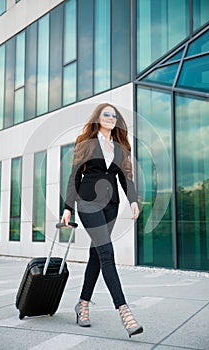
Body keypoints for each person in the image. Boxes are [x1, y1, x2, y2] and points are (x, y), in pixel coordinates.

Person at [61, 103, 143, 338]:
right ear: (97, 118)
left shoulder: (119, 147)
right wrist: (68, 208)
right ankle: (124, 311)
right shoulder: (86, 143)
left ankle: (82, 304)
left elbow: (126, 177)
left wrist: (133, 200)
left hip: (111, 206)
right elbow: (74, 175)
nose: (110, 117)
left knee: (97, 256)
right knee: (107, 253)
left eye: (114, 115)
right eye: (106, 114)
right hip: (87, 202)